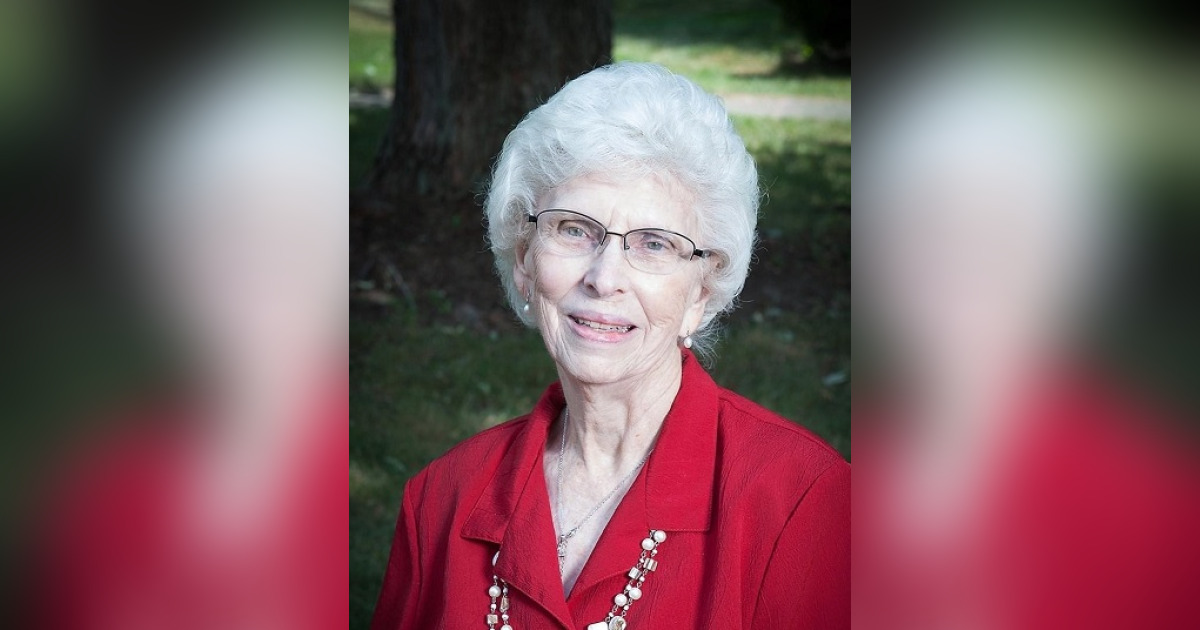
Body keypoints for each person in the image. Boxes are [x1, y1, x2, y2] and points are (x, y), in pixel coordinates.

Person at [370, 62, 849, 630]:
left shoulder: (803, 502)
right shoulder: (440, 500)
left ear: (701, 292)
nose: (604, 277)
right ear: (524, 260)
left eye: (654, 244)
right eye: (575, 229)